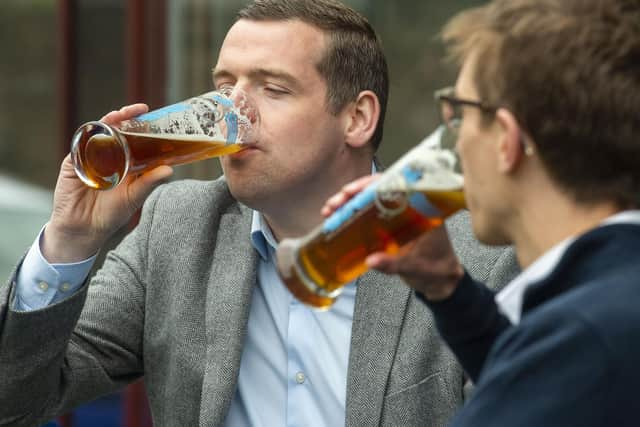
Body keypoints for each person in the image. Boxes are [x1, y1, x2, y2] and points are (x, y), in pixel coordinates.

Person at [0, 1, 519, 426]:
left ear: (357, 118)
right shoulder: (177, 225)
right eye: (224, 88)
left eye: (272, 89)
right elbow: (15, 399)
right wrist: (68, 242)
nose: (235, 113)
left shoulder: (472, 256)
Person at [324, 0, 640, 425]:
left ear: (506, 141)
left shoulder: (583, 340)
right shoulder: (608, 305)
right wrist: (448, 289)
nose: (453, 140)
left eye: (460, 116)